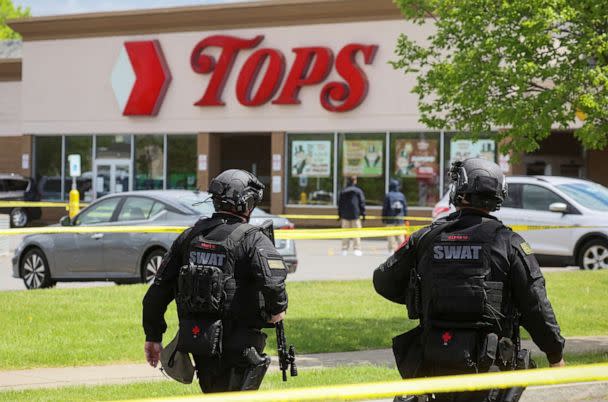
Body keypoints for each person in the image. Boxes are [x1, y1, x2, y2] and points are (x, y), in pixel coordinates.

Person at [373, 158, 565, 402]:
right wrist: (555, 354)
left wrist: (423, 295)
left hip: (434, 364)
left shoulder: (425, 238)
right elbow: (535, 304)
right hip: (490, 373)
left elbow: (383, 281)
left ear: (458, 191)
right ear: (498, 195)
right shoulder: (509, 243)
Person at [142, 169, 288, 393]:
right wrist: (277, 309)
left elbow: (157, 292)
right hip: (240, 345)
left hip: (200, 343)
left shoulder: (189, 237)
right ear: (247, 203)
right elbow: (274, 283)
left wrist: (153, 336)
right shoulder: (253, 239)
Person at [337, 176, 366, 256]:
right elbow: (362, 203)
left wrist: (340, 215)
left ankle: (344, 249)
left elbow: (340, 204)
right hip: (356, 215)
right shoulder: (358, 191)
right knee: (356, 233)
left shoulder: (343, 191)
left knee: (345, 233)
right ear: (354, 181)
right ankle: (357, 249)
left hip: (345, 216)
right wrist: (363, 214)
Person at [383, 179, 408, 253]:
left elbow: (385, 208)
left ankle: (391, 249)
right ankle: (401, 250)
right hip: (400, 218)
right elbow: (405, 208)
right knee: (400, 235)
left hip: (390, 218)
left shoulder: (388, 195)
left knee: (391, 234)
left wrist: (383, 217)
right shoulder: (402, 195)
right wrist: (405, 217)